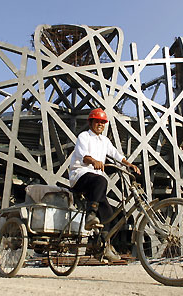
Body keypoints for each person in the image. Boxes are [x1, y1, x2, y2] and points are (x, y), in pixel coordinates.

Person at [69, 108, 141, 261]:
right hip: (80, 176)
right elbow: (83, 155)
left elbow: (115, 154)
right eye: (97, 121)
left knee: (109, 214)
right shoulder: (84, 136)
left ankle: (103, 245)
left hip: (95, 181)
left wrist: (129, 164)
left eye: (102, 122)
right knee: (101, 179)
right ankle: (91, 214)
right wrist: (93, 161)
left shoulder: (105, 141)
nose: (100, 124)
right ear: (91, 122)